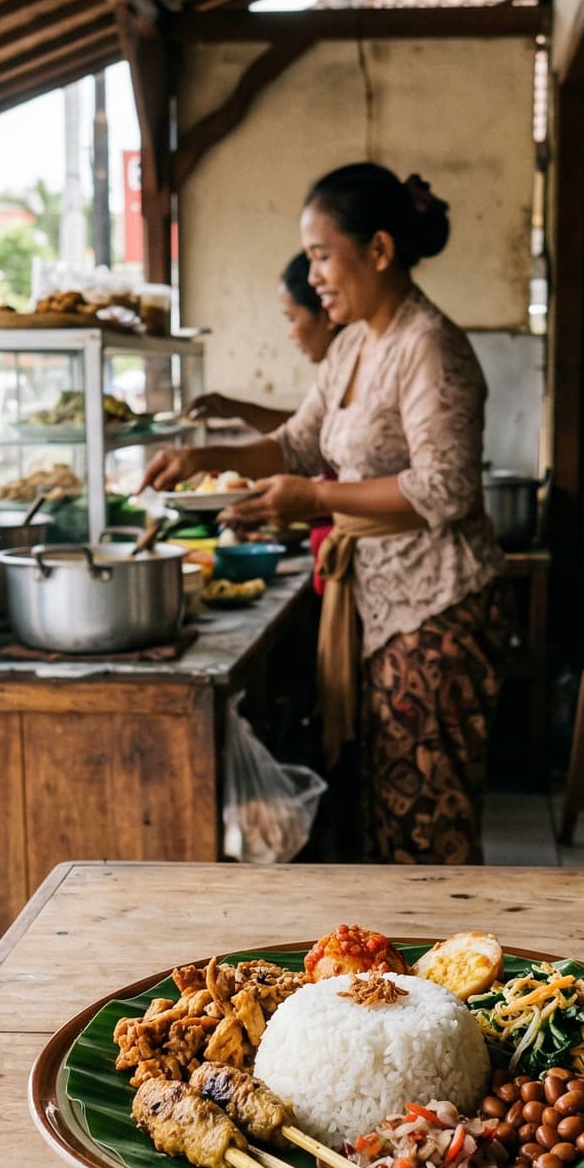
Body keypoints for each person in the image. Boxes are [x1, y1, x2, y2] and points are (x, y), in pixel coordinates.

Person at [144, 164, 505, 864]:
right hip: (377, 604)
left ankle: (457, 962)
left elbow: (446, 487)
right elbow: (297, 442)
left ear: (378, 250)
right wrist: (202, 458)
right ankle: (395, 968)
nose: (312, 276)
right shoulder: (352, 345)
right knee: (382, 808)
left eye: (321, 255)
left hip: (437, 613)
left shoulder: (427, 345)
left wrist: (314, 498)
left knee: (430, 817)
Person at [180, 254, 339, 435]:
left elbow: (305, 438)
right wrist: (236, 409)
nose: (291, 334)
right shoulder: (334, 369)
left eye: (292, 318)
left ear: (326, 310)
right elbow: (306, 431)